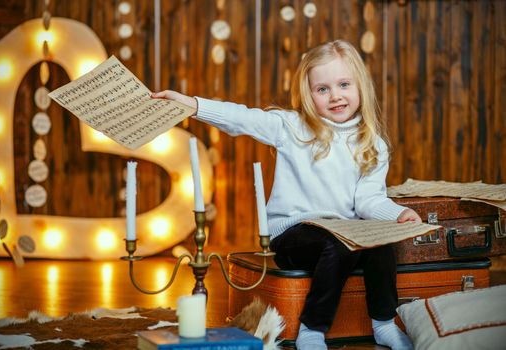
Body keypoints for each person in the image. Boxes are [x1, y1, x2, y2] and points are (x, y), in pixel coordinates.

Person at [152, 39, 420, 350]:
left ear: (360, 86)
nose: (335, 96)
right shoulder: (291, 127)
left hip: (346, 234)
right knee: (341, 245)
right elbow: (242, 118)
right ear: (309, 94)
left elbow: (368, 199)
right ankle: (312, 329)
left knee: (379, 244)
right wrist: (193, 104)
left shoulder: (372, 143)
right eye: (323, 89)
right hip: (293, 232)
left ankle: (383, 324)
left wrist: (397, 214)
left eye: (344, 84)